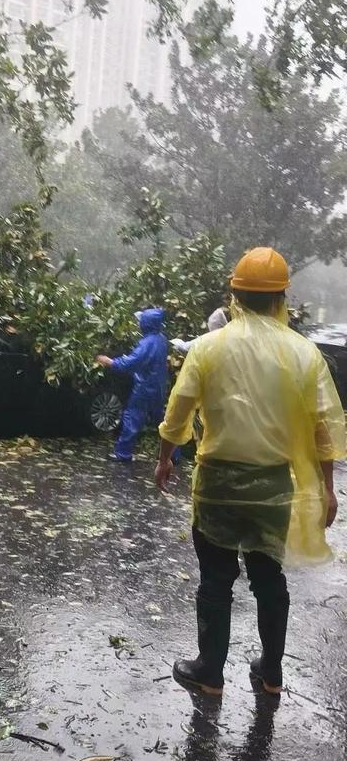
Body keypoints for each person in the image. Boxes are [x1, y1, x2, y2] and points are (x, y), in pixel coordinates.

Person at [155, 247, 345, 696]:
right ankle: (271, 674)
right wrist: (327, 488)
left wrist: (165, 457)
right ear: (282, 297)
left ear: (234, 294)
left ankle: (209, 673)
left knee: (216, 579)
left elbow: (177, 413)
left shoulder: (206, 348)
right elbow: (323, 427)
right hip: (272, 488)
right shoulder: (304, 354)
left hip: (218, 485)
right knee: (268, 578)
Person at [97, 308, 169, 463]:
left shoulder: (147, 343)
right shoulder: (161, 339)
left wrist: (110, 362)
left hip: (145, 387)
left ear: (146, 323)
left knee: (132, 417)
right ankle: (173, 456)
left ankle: (123, 453)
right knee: (162, 422)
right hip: (159, 387)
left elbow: (132, 363)